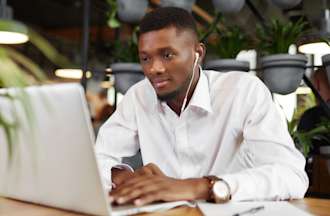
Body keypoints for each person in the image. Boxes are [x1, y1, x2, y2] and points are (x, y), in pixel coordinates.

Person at [95, 7, 308, 206]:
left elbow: (291, 176)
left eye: (167, 55)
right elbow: (97, 158)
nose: (154, 68)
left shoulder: (242, 91)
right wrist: (120, 177)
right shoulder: (139, 96)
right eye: (145, 58)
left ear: (198, 54)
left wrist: (199, 187)